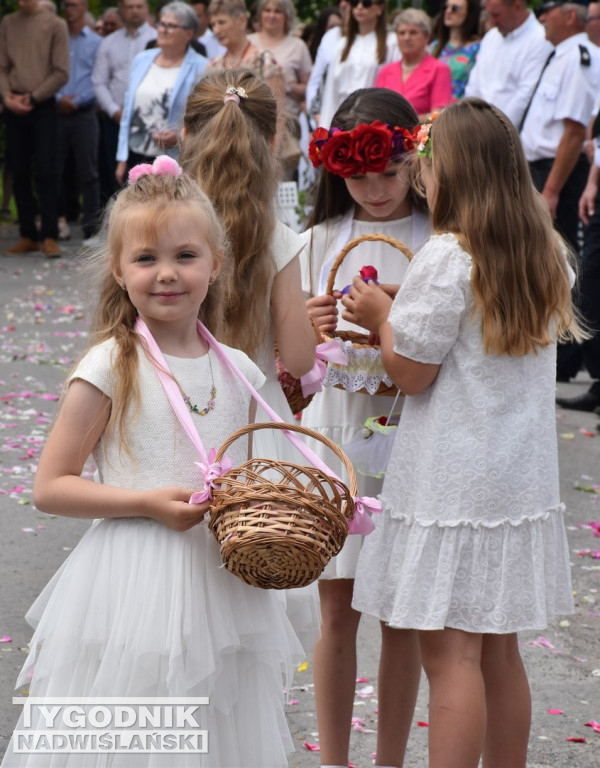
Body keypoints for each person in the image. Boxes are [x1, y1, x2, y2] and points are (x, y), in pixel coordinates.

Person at [0, 157, 305, 768]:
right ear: (119, 269)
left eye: (185, 256)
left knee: (216, 729)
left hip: (220, 587)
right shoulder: (112, 365)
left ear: (217, 263)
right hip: (132, 583)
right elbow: (51, 487)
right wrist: (143, 502)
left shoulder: (240, 370)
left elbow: (241, 477)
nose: (166, 274)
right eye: (145, 259)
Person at [346, 99, 578, 768]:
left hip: (454, 479)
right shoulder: (544, 252)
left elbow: (411, 373)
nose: (424, 177)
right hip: (515, 479)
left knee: (450, 656)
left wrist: (380, 317)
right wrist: (403, 305)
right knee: (498, 650)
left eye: (430, 166)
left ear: (456, 173)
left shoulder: (448, 256)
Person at [299, 88, 430, 768]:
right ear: (333, 170)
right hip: (337, 436)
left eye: (388, 172)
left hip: (414, 432)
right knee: (337, 610)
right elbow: (292, 365)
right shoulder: (319, 239)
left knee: (403, 616)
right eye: (357, 175)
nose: (375, 190)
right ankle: (334, 760)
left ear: (414, 159)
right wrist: (310, 327)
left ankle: (390, 761)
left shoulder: (440, 241)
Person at [180, 69, 319, 652]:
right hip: (249, 443)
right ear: (273, 139)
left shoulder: (166, 226)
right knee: (239, 596)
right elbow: (301, 356)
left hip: (174, 422)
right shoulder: (281, 239)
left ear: (187, 134)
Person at [0, 0, 69, 258]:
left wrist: (34, 97)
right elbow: (2, 66)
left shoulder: (55, 24)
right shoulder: (8, 23)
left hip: (42, 106)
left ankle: (49, 235)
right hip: (13, 103)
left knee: (47, 170)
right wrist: (7, 96)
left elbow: (61, 71)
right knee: (17, 169)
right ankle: (27, 234)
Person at [115, 2, 207, 185]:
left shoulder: (201, 66)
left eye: (171, 25)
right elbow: (128, 111)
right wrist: (122, 158)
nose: (163, 29)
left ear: (188, 34)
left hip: (174, 160)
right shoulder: (143, 59)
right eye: (161, 23)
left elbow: (204, 117)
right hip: (136, 157)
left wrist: (180, 137)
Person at [92, 0, 156, 201]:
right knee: (116, 177)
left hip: (148, 121)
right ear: (121, 9)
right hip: (116, 120)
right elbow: (99, 81)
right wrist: (113, 110)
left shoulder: (157, 39)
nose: (134, 11)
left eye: (139, 6)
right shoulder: (109, 43)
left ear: (146, 8)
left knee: (149, 178)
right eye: (129, 6)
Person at [248, 0, 312, 178]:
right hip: (249, 122)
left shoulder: (297, 46)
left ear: (287, 16)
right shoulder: (249, 42)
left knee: (280, 181)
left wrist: (286, 86)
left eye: (277, 11)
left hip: (283, 123)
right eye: (267, 10)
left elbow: (310, 87)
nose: (271, 15)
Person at [55, 0, 102, 245]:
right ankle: (56, 224)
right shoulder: (56, 37)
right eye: (66, 4)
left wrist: (79, 100)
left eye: (73, 4)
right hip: (57, 111)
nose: (69, 9)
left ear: (84, 7)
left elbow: (99, 78)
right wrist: (56, 98)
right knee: (54, 169)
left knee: (88, 172)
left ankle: (91, 230)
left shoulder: (96, 42)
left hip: (84, 113)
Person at [465, 0, 552, 127]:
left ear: (517, 6)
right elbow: (474, 86)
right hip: (477, 128)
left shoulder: (540, 39)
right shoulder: (491, 37)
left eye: (496, 15)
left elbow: (525, 95)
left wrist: (498, 130)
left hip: (507, 134)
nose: (492, 21)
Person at [318, 0, 397, 130]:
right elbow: (331, 92)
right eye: (355, 3)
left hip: (375, 117)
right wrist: (325, 128)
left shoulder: (391, 42)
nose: (360, 7)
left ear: (379, 8)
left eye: (366, 3)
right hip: (343, 118)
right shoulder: (342, 44)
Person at [375, 9, 453, 118]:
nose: (406, 38)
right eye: (402, 33)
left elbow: (438, 115)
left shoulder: (439, 69)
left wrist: (402, 121)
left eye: (413, 32)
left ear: (427, 37)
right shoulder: (385, 71)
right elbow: (374, 110)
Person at [205, 0, 284, 104]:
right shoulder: (213, 66)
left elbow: (278, 112)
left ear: (242, 21)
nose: (216, 30)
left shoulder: (263, 61)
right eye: (213, 24)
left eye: (221, 22)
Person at [430, 0, 481, 100]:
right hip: (435, 110)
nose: (449, 11)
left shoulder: (479, 47)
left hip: (463, 109)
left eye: (455, 8)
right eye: (446, 7)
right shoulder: (435, 46)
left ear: (469, 13)